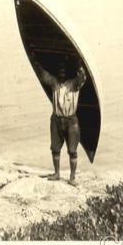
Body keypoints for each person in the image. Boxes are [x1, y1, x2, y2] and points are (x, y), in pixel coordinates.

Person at [31, 53, 86, 186]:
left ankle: (72, 177)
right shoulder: (54, 82)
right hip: (56, 119)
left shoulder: (74, 84)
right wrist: (35, 61)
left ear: (68, 72)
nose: (62, 73)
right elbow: (43, 75)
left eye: (64, 71)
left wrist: (79, 64)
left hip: (71, 121)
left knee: (72, 150)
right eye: (59, 71)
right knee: (55, 148)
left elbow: (82, 77)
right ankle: (57, 173)